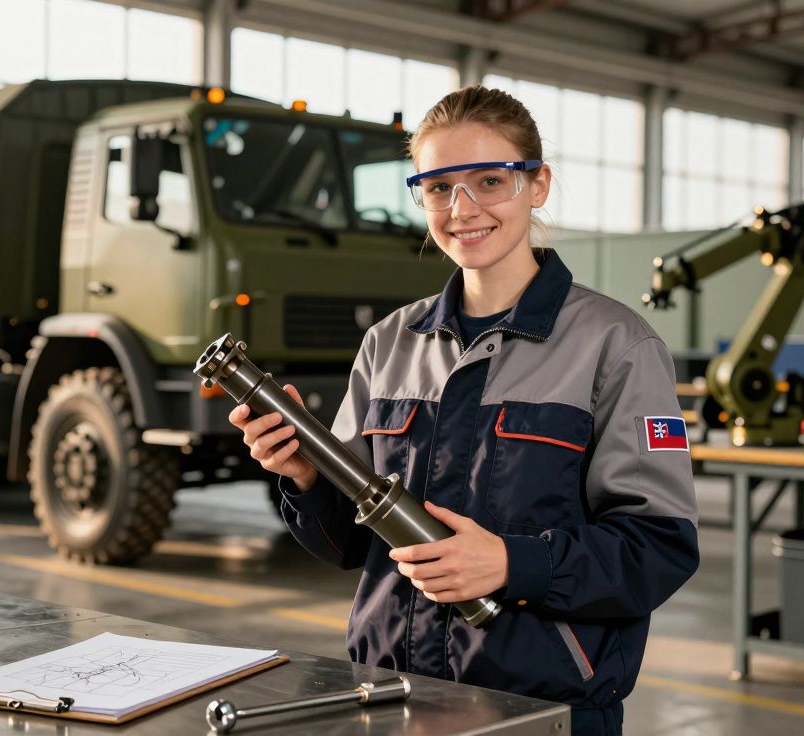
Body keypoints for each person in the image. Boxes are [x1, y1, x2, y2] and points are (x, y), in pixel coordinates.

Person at [228, 85, 699, 736]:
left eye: (488, 180)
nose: (462, 208)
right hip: (391, 699)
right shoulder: (389, 344)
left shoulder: (616, 347)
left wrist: (512, 563)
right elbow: (346, 545)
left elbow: (658, 551)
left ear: (538, 185)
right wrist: (304, 476)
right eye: (438, 186)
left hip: (545, 713)